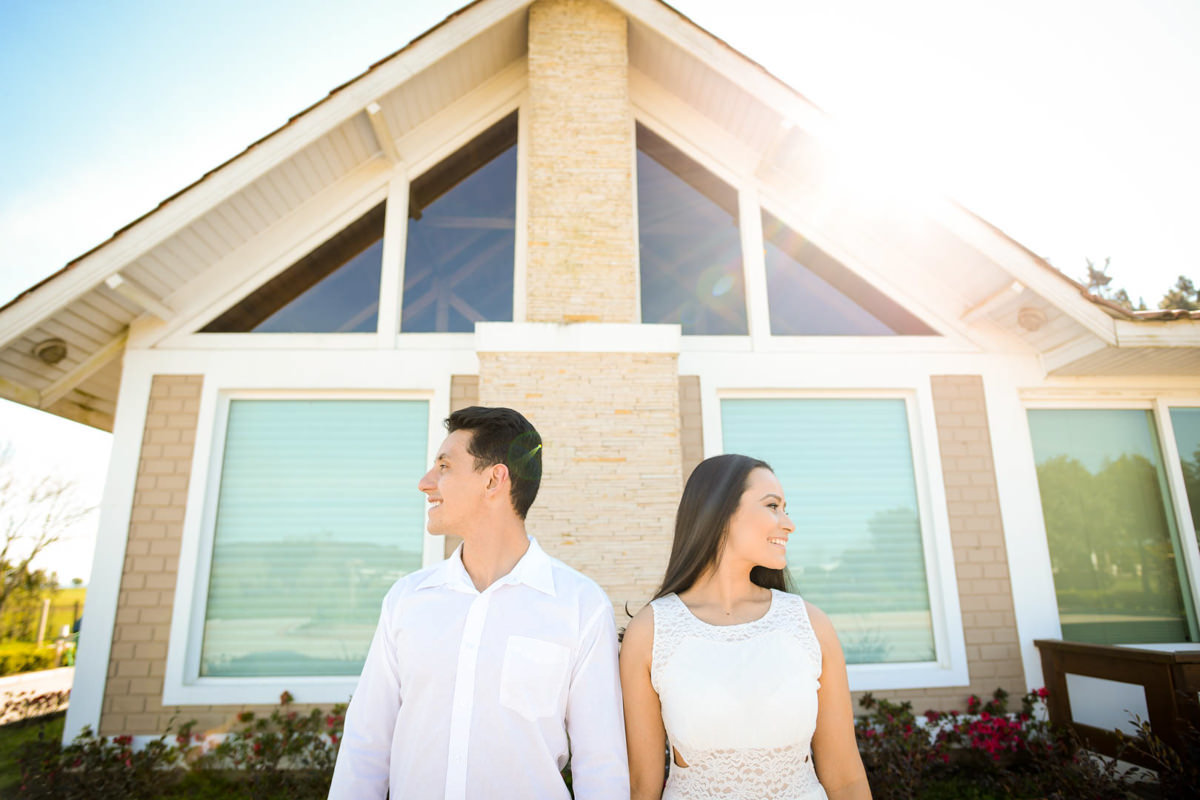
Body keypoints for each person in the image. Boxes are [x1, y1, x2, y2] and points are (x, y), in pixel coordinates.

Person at [329, 406, 629, 799]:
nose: (425, 482)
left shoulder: (580, 606)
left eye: (444, 466)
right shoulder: (406, 600)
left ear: (493, 479)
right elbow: (365, 747)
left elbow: (601, 765)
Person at [620, 454, 871, 800]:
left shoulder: (810, 625)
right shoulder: (651, 631)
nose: (789, 523)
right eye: (773, 506)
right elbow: (641, 786)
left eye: (786, 508)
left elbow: (846, 779)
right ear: (720, 512)